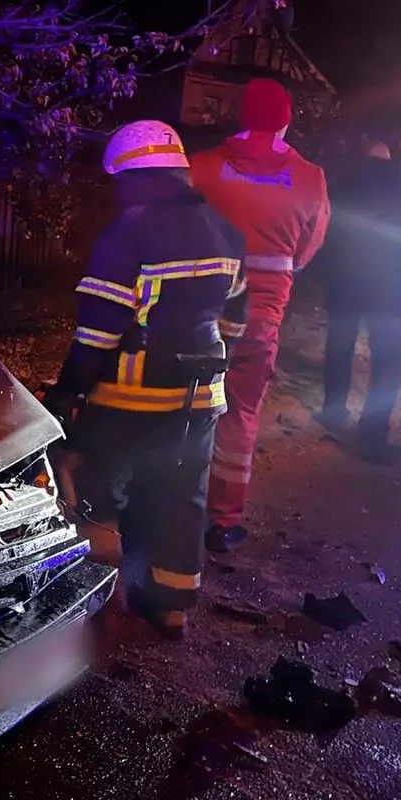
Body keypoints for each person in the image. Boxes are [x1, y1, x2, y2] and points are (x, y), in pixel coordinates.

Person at [46, 120, 246, 639]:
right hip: (201, 399)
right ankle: (172, 608)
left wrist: (66, 392)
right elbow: (235, 318)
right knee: (182, 497)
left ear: (132, 176)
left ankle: (94, 611)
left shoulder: (129, 230)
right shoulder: (226, 229)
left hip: (127, 399)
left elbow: (97, 333)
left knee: (95, 492)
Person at [190, 78, 330, 552]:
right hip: (260, 320)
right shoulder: (311, 179)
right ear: (287, 119)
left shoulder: (203, 167)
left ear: (240, 115)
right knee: (241, 413)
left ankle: (172, 505)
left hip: (196, 317)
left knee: (183, 409)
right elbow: (306, 253)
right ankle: (223, 521)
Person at [318, 139, 401, 461]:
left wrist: (326, 273)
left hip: (345, 282)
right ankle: (372, 435)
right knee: (387, 362)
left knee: (340, 347)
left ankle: (333, 413)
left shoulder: (342, 183)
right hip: (389, 289)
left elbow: (326, 230)